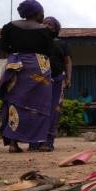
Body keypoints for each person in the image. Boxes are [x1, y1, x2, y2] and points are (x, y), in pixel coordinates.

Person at [0, 0, 54, 153]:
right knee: (41, 105)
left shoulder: (9, 27)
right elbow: (49, 52)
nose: (43, 16)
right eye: (42, 12)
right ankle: (42, 143)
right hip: (40, 68)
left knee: (15, 104)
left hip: (16, 67)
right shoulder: (44, 30)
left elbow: (3, 51)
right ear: (36, 13)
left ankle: (13, 144)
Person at [31, 16, 70, 151]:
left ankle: (47, 142)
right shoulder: (35, 42)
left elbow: (67, 62)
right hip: (39, 80)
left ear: (56, 28)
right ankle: (34, 143)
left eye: (50, 24)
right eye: (44, 23)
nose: (46, 25)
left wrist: (68, 78)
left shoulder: (61, 44)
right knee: (37, 111)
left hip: (58, 80)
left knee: (54, 111)